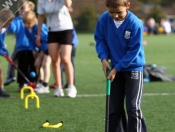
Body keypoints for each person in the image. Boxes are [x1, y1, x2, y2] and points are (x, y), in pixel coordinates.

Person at [94, 0, 147, 131]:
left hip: (133, 68)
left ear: (127, 6)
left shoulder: (135, 23)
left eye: (119, 12)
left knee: (133, 107)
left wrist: (117, 68)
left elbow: (134, 50)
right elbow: (100, 40)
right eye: (111, 12)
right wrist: (103, 58)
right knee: (114, 108)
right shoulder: (104, 19)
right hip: (113, 68)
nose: (115, 15)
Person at [36, 0, 77, 98]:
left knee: (66, 59)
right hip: (52, 30)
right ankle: (58, 88)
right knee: (54, 60)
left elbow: (68, 5)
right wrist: (38, 34)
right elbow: (41, 16)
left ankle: (71, 87)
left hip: (66, 29)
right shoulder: (42, 1)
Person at [4, 0, 35, 86]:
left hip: (31, 46)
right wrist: (10, 21)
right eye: (20, 9)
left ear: (29, 9)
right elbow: (13, 29)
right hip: (20, 46)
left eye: (23, 9)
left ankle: (32, 82)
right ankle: (18, 81)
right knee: (19, 63)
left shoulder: (32, 19)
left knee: (31, 64)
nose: (21, 11)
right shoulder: (17, 20)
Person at [22, 11, 51, 93]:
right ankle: (41, 82)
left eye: (29, 23)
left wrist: (41, 53)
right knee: (37, 64)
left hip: (48, 46)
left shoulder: (40, 27)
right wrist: (33, 49)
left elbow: (46, 40)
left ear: (34, 20)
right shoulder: (26, 29)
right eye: (25, 23)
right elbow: (30, 40)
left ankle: (45, 86)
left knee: (46, 64)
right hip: (40, 48)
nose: (27, 25)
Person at [0, 8, 14, 97]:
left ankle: (1, 89)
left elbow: (1, 43)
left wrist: (6, 52)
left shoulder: (3, 30)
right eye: (7, 23)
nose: (8, 25)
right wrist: (2, 53)